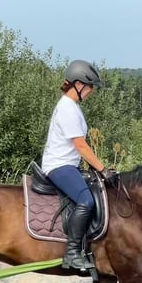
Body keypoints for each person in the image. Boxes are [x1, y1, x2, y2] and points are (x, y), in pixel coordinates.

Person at [41, 59, 108, 271]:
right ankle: (72, 253)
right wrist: (102, 169)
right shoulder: (67, 108)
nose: (91, 92)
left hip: (68, 165)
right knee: (86, 201)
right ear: (78, 85)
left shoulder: (72, 106)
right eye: (90, 87)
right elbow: (80, 145)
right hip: (59, 165)